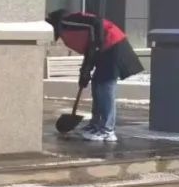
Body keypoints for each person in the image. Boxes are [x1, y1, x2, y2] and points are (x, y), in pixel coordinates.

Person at [46, 9, 143, 143]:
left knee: (105, 87)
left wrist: (99, 43)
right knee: (97, 85)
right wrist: (85, 71)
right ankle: (96, 125)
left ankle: (107, 130)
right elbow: (89, 48)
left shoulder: (66, 22)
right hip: (104, 50)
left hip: (112, 46)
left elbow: (96, 22)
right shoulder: (67, 28)